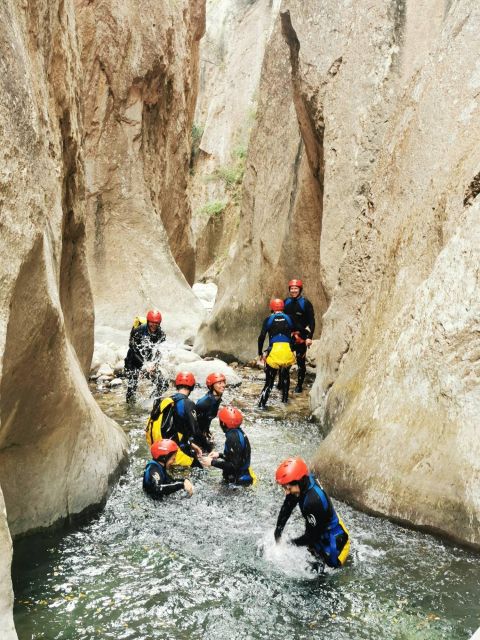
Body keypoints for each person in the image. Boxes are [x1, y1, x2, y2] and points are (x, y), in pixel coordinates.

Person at [274, 457, 350, 569]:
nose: (286, 492)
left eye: (288, 488)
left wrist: (289, 544)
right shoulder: (302, 482)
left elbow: (311, 536)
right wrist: (278, 532)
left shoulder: (313, 501)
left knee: (322, 576)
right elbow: (287, 506)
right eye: (284, 487)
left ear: (299, 481)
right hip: (321, 528)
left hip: (335, 543)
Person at [148, 371, 203, 467]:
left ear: (177, 385)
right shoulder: (187, 403)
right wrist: (209, 448)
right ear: (192, 386)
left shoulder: (166, 400)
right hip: (173, 451)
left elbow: (175, 429)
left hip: (159, 449)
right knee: (199, 467)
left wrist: (191, 444)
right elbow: (196, 431)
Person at [200, 406, 256, 486]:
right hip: (242, 476)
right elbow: (238, 458)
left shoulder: (232, 438)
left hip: (237, 482)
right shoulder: (238, 432)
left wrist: (212, 462)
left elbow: (233, 466)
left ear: (223, 423)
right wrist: (220, 455)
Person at [257, 299, 296, 407]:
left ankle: (261, 405)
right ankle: (284, 401)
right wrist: (293, 348)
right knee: (285, 376)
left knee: (269, 382)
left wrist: (260, 352)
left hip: (274, 351)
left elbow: (261, 337)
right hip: (287, 351)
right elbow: (297, 332)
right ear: (283, 308)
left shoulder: (269, 319)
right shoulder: (289, 318)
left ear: (271, 308)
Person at [124, 309, 167, 403]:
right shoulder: (138, 331)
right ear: (148, 321)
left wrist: (154, 364)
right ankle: (130, 407)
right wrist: (145, 365)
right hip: (133, 361)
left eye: (156, 324)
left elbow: (159, 352)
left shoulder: (161, 334)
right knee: (132, 386)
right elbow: (133, 350)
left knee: (163, 384)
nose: (154, 326)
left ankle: (151, 402)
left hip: (149, 363)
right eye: (152, 323)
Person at [284, 279, 315, 393]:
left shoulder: (305, 303)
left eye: (296, 288)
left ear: (300, 290)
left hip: (301, 336)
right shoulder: (286, 302)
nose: (293, 291)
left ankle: (299, 385)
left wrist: (309, 337)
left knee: (300, 362)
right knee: (284, 361)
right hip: (288, 336)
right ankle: (283, 383)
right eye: (292, 289)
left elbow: (312, 321)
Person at [195, 373, 227, 452]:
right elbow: (194, 423)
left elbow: (205, 419)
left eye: (224, 382)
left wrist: (207, 432)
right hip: (196, 436)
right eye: (219, 383)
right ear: (212, 386)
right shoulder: (205, 403)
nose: (223, 385)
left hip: (203, 432)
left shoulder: (217, 398)